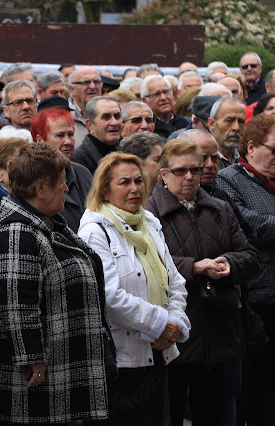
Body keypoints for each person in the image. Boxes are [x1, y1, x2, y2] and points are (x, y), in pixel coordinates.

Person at [0, 143, 110, 424]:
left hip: (55, 368)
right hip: (31, 380)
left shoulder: (47, 223)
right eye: (61, 183)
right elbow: (19, 303)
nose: (67, 189)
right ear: (41, 188)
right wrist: (31, 357)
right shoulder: (18, 232)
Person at [146, 139, 258, 426]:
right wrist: (193, 268)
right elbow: (147, 267)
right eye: (180, 170)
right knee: (169, 413)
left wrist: (228, 265)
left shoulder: (219, 208)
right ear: (163, 174)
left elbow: (250, 256)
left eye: (194, 170)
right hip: (176, 333)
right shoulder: (149, 215)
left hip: (220, 330)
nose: (189, 177)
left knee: (216, 413)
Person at [78, 152, 189, 424]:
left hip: (158, 353)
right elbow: (109, 296)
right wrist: (160, 324)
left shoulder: (149, 223)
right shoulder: (94, 231)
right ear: (104, 190)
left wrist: (174, 322)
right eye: (124, 182)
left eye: (139, 181)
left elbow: (173, 281)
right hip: (121, 361)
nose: (134, 188)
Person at [216, 113, 275, 425]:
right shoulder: (230, 179)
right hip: (256, 300)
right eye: (274, 150)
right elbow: (250, 226)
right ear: (251, 147)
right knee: (253, 389)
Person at [30, 107, 93, 232]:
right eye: (60, 135)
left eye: (70, 134)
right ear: (39, 141)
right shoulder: (30, 178)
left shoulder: (83, 173)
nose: (68, 141)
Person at [71, 96, 123, 174]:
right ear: (90, 125)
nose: (114, 122)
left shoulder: (129, 150)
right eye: (106, 117)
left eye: (117, 116)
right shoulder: (79, 160)